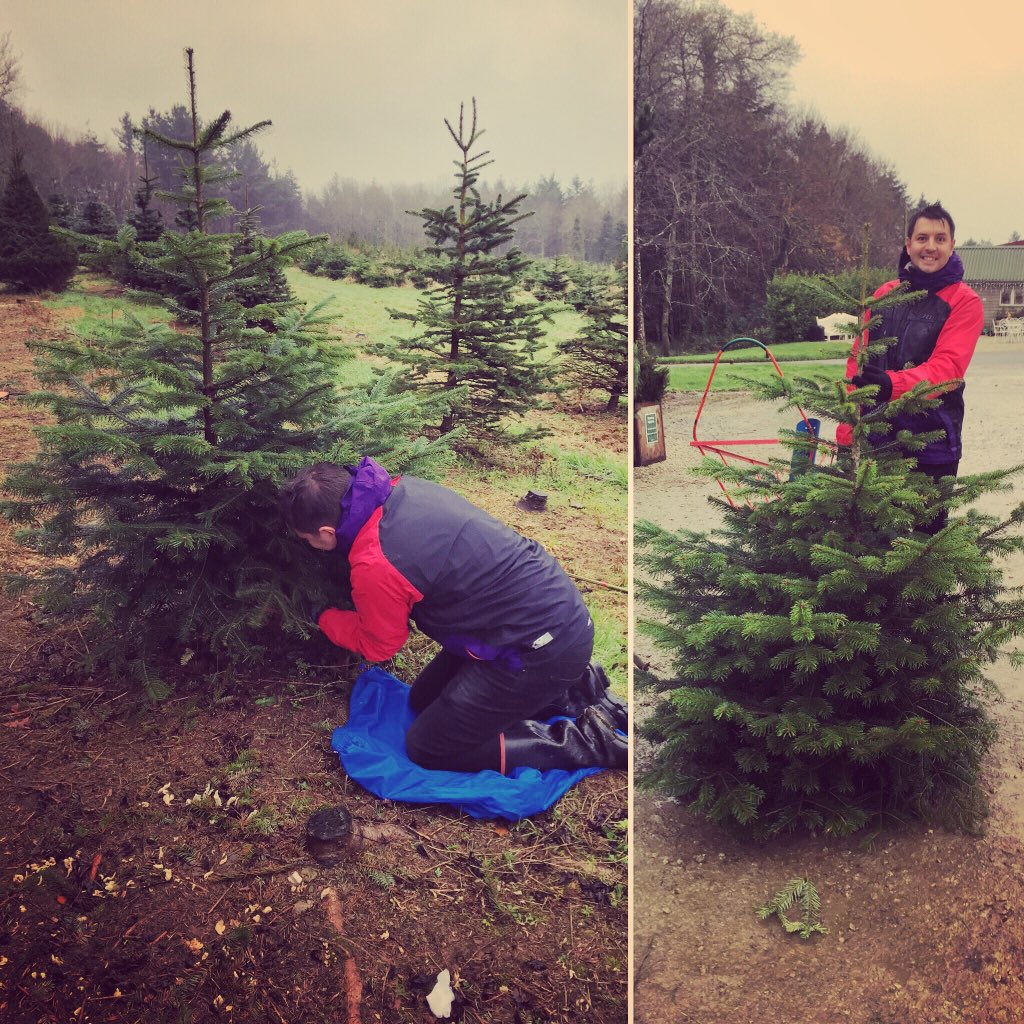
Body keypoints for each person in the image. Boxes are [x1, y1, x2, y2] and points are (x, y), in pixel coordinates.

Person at [278, 457, 627, 775]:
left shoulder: (376, 562)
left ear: (326, 532)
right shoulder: (402, 489)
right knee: (422, 701)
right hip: (550, 614)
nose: (311, 547)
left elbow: (379, 644)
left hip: (535, 649)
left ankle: (583, 742)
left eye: (309, 540)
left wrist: (321, 616)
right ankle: (580, 688)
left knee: (429, 747)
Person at [838, 201, 984, 530]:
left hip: (931, 445)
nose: (930, 246)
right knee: (869, 540)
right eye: (921, 238)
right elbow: (856, 363)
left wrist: (892, 385)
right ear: (908, 245)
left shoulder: (965, 301)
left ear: (952, 245)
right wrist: (848, 430)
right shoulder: (885, 294)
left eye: (939, 238)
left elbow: (947, 370)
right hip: (876, 441)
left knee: (922, 546)